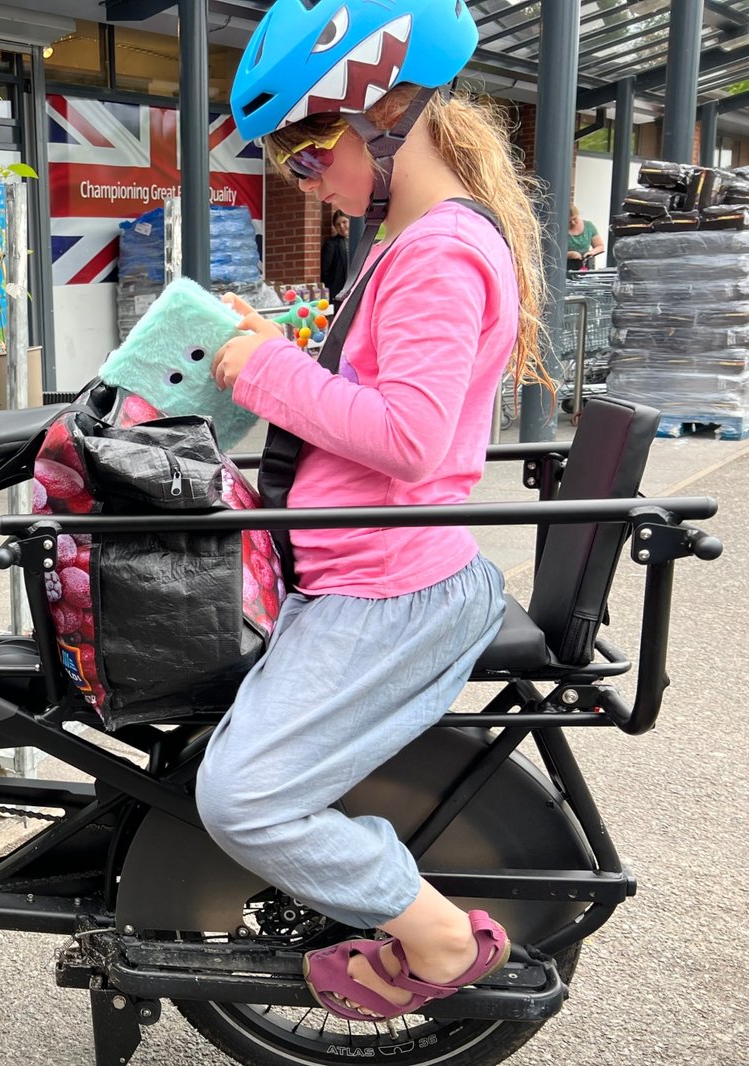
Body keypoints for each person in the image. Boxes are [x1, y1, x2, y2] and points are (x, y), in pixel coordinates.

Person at [200, 0, 549, 1023]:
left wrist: (266, 373)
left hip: (388, 590)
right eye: (286, 159)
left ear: (388, 112)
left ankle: (438, 936)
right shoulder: (410, 241)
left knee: (244, 798)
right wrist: (280, 354)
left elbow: (410, 436)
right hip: (366, 575)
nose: (300, 176)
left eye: (307, 148)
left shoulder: (437, 252)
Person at [320, 209, 351, 297]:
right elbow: (325, 272)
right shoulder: (331, 245)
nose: (342, 226)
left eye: (344, 222)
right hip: (338, 291)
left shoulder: (360, 240)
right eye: (338, 224)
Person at [567, 205, 604, 271]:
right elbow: (554, 252)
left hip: (585, 264)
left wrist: (590, 253)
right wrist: (570, 254)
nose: (573, 223)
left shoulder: (588, 226)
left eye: (575, 219)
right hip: (566, 265)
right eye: (569, 221)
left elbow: (600, 246)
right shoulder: (560, 229)